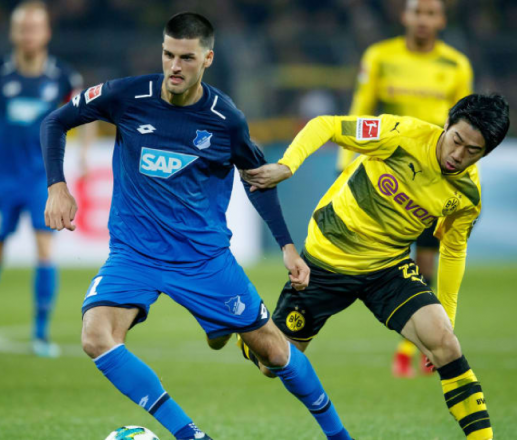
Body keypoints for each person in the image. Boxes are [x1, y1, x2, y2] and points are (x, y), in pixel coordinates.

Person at [40, 12, 353, 440]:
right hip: (135, 254)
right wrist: (57, 186)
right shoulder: (126, 95)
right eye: (168, 54)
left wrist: (286, 246)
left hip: (203, 259)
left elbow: (257, 180)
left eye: (186, 58)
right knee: (96, 336)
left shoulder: (226, 119)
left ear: (207, 58)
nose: (174, 66)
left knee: (275, 353)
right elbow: (55, 121)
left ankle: (339, 436)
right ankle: (191, 435)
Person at [241, 93, 509, 440]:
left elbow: (454, 251)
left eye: (473, 151)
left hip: (388, 269)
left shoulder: (468, 195)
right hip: (327, 261)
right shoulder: (400, 134)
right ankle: (243, 328)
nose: (458, 155)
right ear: (447, 124)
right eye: (456, 140)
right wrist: (287, 165)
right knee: (272, 364)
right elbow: (326, 125)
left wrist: (449, 317)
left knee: (446, 344)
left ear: (486, 153)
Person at [337, 0, 474, 376]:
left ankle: (412, 348)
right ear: (405, 16)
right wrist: (345, 160)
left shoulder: (456, 65)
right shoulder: (380, 56)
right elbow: (362, 106)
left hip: (434, 181)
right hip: (387, 177)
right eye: (417, 12)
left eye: (431, 13)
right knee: (377, 262)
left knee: (426, 264)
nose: (423, 19)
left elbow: (467, 123)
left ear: (441, 19)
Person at [0, 1, 88, 357]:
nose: (28, 35)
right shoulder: (3, 74)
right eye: (23, 28)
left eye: (34, 28)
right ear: (13, 32)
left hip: (41, 180)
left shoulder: (63, 77)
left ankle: (40, 333)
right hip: (3, 178)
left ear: (47, 32)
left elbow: (86, 111)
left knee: (45, 250)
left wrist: (83, 153)